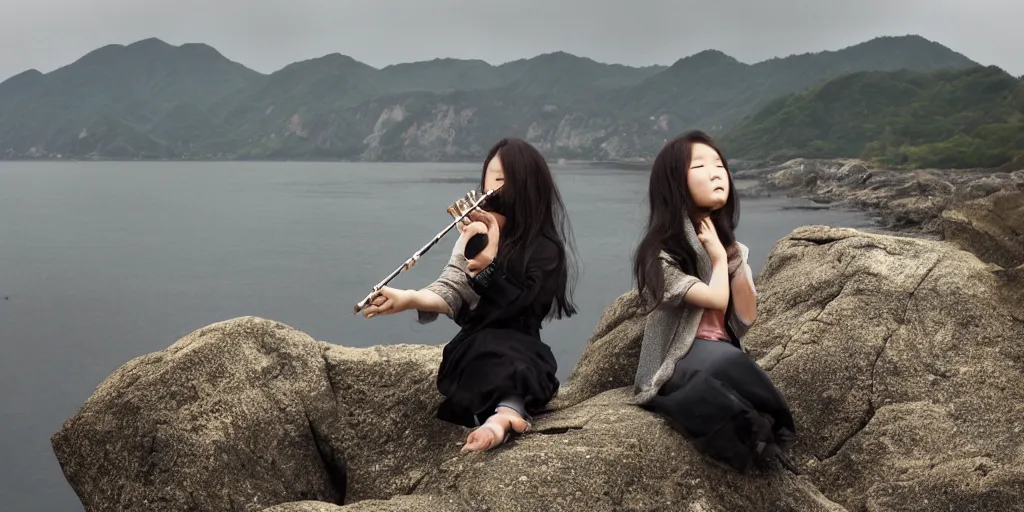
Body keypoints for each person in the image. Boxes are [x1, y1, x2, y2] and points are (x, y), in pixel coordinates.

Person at [359, 138, 578, 452]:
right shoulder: (475, 234)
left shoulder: (545, 248)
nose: (498, 185)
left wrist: (490, 262)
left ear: (530, 187)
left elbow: (525, 302)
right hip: (476, 340)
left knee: (520, 364)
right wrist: (408, 298)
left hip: (525, 342)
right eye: (494, 176)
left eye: (507, 179)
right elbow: (453, 286)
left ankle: (501, 418)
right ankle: (504, 416)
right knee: (491, 357)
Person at [630, 130, 796, 472]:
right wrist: (719, 261)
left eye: (720, 164)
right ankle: (755, 437)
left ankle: (767, 433)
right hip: (679, 358)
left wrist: (737, 260)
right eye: (701, 166)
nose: (717, 172)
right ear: (674, 184)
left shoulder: (727, 247)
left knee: (729, 366)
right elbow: (717, 301)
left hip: (719, 351)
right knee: (722, 371)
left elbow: (746, 316)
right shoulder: (659, 255)